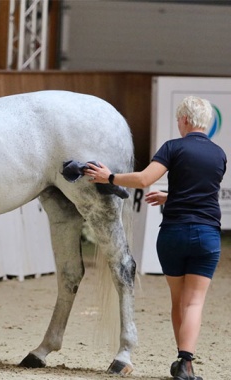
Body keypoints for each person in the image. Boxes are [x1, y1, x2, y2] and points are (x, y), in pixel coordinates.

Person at [84, 95, 226, 380]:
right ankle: (185, 363)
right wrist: (171, 196)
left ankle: (182, 362)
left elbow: (144, 180)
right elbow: (201, 194)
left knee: (178, 300)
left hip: (174, 234)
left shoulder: (173, 147)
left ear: (185, 119)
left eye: (178, 120)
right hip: (207, 236)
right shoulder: (219, 154)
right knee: (195, 302)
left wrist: (110, 177)